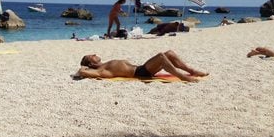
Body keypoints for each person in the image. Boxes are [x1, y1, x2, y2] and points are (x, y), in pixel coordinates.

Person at [76, 49, 209, 82]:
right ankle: (183, 77)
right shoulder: (101, 70)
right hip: (140, 72)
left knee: (169, 53)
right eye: (91, 55)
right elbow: (82, 72)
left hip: (141, 68)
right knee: (162, 56)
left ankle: (192, 71)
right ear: (91, 62)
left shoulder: (104, 64)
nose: (94, 54)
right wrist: (84, 69)